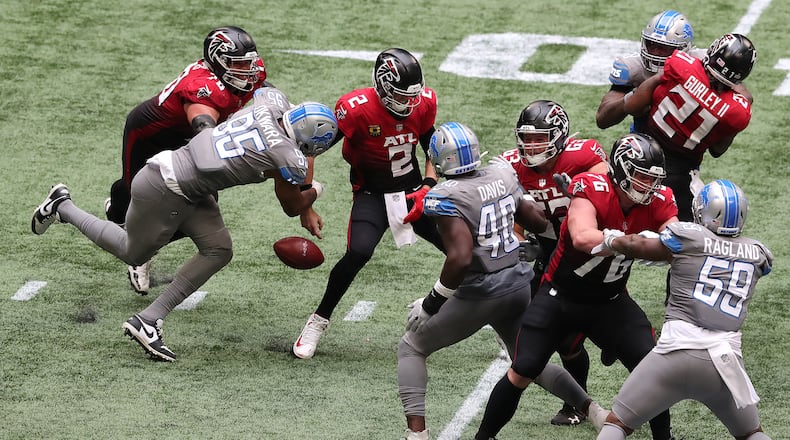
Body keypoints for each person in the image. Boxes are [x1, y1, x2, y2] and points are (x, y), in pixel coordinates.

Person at [31, 88, 339, 362]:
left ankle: (149, 320)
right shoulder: (289, 156)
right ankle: (63, 206)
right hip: (165, 188)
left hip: (188, 183)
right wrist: (316, 190)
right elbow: (291, 203)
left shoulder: (271, 103)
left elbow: (268, 92)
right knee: (132, 252)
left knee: (218, 249)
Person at [397, 122, 605, 440]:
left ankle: (417, 435)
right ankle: (593, 409)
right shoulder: (502, 174)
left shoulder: (445, 195)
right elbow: (536, 219)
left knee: (411, 346)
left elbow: (461, 258)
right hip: (518, 284)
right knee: (526, 362)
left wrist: (432, 302)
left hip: (480, 292)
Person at [474, 133, 679, 440]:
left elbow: (674, 239)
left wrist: (670, 243)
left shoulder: (661, 199)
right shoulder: (591, 187)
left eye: (653, 179)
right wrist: (628, 242)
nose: (649, 186)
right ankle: (484, 437)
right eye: (640, 177)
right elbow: (582, 237)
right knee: (524, 368)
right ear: (622, 171)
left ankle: (665, 438)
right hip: (561, 297)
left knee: (652, 367)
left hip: (610, 301)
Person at [293, 48, 444, 360]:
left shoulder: (423, 102)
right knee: (358, 252)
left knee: (463, 252)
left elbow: (435, 149)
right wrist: (305, 202)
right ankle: (318, 319)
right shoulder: (357, 109)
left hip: (414, 190)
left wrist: (429, 186)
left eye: (413, 95)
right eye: (402, 96)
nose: (410, 102)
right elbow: (311, 148)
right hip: (372, 195)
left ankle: (494, 323)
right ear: (384, 87)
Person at [597, 179, 773, 440]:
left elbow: (637, 244)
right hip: (724, 364)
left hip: (675, 355)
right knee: (751, 434)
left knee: (617, 424)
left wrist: (612, 240)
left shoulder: (689, 237)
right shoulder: (758, 253)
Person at [106, 26, 270, 295]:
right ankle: (129, 229)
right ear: (218, 61)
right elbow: (204, 128)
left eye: (247, 63)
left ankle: (143, 245)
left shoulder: (245, 76)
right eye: (238, 64)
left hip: (184, 140)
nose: (247, 71)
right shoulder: (202, 87)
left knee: (205, 205)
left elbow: (267, 93)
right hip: (149, 136)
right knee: (136, 197)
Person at [500, 99, 609, 426]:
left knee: (586, 330)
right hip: (546, 251)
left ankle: (608, 344)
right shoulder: (511, 166)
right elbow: (511, 220)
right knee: (554, 336)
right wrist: (522, 243)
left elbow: (608, 201)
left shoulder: (583, 157)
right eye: (527, 138)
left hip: (584, 248)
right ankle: (576, 402)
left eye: (540, 138)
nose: (531, 146)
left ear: (560, 137)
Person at [623, 32, 756, 221]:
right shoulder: (737, 111)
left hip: (641, 153)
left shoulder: (681, 65)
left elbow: (632, 106)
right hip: (680, 176)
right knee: (680, 231)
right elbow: (718, 150)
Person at [596, 10, 698, 132]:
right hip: (645, 140)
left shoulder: (700, 64)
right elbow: (602, 119)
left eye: (663, 48)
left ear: (682, 50)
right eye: (651, 44)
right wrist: (632, 99)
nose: (655, 52)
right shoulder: (633, 68)